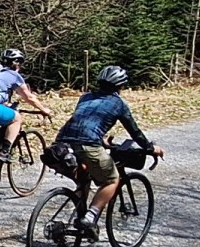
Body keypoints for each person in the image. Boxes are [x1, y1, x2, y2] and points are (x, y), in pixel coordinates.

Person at [48, 65, 165, 235]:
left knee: (84, 180)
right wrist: (150, 148)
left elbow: (83, 122)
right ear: (121, 86)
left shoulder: (85, 97)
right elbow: (134, 131)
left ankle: (78, 224)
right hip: (88, 146)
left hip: (61, 145)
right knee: (111, 180)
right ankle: (89, 218)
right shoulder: (118, 104)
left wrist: (101, 141)